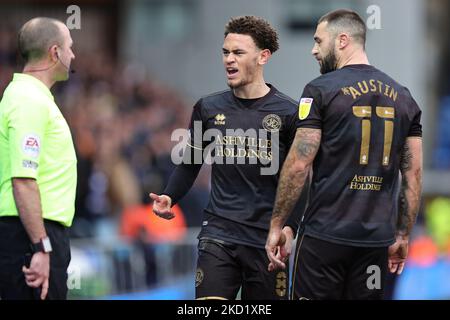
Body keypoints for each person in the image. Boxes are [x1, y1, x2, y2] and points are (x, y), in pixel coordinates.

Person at [266, 9, 422, 300]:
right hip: (376, 242)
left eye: (318, 41)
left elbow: (299, 164)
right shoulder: (405, 98)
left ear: (342, 40)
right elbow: (412, 173)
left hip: (325, 238)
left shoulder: (320, 90)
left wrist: (278, 224)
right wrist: (402, 234)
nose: (313, 50)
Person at [150, 15, 306, 300]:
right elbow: (190, 162)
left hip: (267, 240)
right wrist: (169, 196)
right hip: (218, 233)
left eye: (238, 52)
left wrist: (289, 227)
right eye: (225, 52)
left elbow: (301, 177)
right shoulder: (208, 107)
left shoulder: (289, 113)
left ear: (263, 57)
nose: (228, 60)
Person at [0, 17, 77, 300]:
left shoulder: (33, 97)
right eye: (70, 47)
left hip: (33, 232)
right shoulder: (28, 100)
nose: (73, 54)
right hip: (30, 235)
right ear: (54, 52)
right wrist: (41, 246)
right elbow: (23, 179)